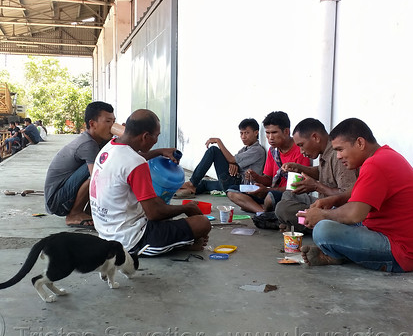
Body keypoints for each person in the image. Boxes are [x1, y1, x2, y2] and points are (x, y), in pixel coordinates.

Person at [300, 118, 413, 272]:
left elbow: (355, 214)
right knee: (334, 211)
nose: (339, 156)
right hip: (389, 236)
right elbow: (357, 195)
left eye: (340, 149)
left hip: (401, 253)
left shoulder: (375, 164)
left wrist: (322, 215)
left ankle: (336, 253)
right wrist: (334, 199)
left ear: (360, 143)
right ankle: (338, 253)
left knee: (323, 230)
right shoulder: (383, 156)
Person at [90, 109, 211, 256]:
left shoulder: (110, 146)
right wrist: (186, 208)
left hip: (107, 231)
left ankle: (181, 241)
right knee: (202, 223)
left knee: (160, 202)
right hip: (130, 241)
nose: (156, 140)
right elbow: (154, 213)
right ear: (146, 136)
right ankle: (180, 245)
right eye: (156, 136)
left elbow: (131, 158)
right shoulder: (136, 163)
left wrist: (160, 152)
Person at [275, 118, 358, 230]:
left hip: (337, 210)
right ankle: (293, 223)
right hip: (324, 203)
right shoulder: (324, 152)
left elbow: (348, 195)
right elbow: (321, 171)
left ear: (315, 137)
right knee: (288, 195)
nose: (301, 151)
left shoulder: (338, 156)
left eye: (301, 145)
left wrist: (316, 186)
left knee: (283, 208)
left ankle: (301, 224)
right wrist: (299, 168)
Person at [44, 102, 116, 227]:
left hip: (64, 193)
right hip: (57, 202)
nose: (113, 126)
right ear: (92, 124)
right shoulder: (88, 144)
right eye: (108, 121)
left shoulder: (100, 141)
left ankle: (88, 212)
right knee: (98, 172)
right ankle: (74, 214)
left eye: (114, 121)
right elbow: (97, 179)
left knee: (105, 164)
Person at [227, 111, 310, 213]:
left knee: (270, 198)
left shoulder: (300, 150)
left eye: (274, 133)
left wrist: (268, 190)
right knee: (232, 191)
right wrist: (256, 177)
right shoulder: (273, 150)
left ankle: (258, 208)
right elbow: (268, 179)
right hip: (271, 191)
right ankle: (262, 211)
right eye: (267, 133)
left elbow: (296, 188)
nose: (270, 138)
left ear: (286, 131)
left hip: (289, 194)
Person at [175, 118, 266, 197]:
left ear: (256, 133)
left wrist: (218, 141)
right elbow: (232, 160)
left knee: (213, 150)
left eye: (246, 133)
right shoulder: (244, 149)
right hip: (233, 181)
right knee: (204, 183)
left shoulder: (257, 150)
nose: (243, 137)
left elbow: (231, 159)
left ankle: (191, 183)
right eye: (241, 133)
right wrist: (232, 163)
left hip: (241, 186)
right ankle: (183, 190)